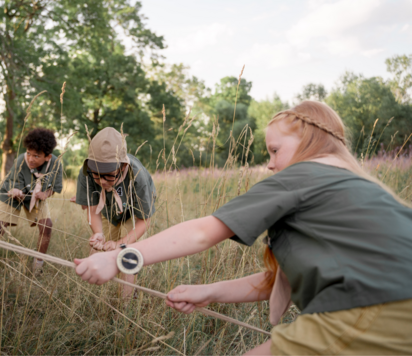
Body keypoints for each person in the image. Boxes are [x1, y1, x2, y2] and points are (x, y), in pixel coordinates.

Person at [73, 101, 412, 355]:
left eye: (275, 150)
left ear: (310, 141)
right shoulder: (359, 190)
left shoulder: (302, 175)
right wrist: (210, 292)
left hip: (367, 310)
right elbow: (273, 282)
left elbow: (202, 232)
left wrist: (118, 257)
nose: (270, 162)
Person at [73, 127, 156, 299]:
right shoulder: (86, 173)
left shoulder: (138, 175)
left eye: (109, 176)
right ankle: (93, 300)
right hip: (107, 209)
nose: (102, 181)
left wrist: (121, 243)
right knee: (98, 248)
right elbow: (91, 208)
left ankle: (125, 304)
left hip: (134, 215)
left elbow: (144, 221)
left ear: (123, 166)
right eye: (96, 175)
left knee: (125, 253)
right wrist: (98, 233)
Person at [0, 128, 63, 281]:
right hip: (13, 194)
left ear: (47, 157)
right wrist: (14, 190)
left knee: (47, 226)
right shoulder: (22, 159)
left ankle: (37, 269)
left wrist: (45, 194)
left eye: (36, 156)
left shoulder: (55, 164)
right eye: (29, 153)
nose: (31, 158)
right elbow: (12, 181)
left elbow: (54, 188)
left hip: (35, 197)